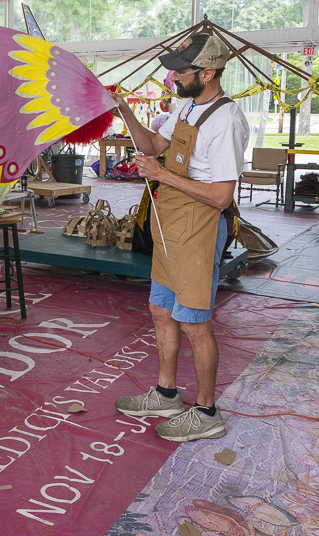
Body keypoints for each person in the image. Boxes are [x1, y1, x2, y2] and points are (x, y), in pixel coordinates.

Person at [110, 33, 250, 442]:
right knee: (161, 310)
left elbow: (221, 196)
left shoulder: (226, 120)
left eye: (181, 72)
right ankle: (167, 393)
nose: (173, 78)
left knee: (194, 322)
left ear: (207, 73)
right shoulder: (185, 105)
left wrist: (161, 175)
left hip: (199, 227)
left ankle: (206, 412)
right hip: (170, 222)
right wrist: (124, 111)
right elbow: (154, 145)